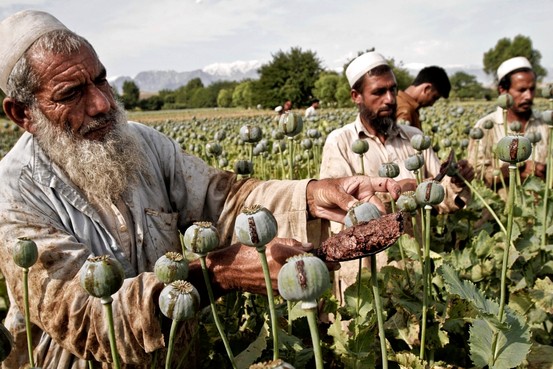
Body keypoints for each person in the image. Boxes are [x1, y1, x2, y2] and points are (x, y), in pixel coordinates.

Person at [0, 10, 402, 369]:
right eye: (71, 93)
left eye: (101, 79)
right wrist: (217, 274)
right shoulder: (11, 195)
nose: (102, 103)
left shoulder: (140, 143)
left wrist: (312, 193)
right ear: (23, 114)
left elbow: (226, 200)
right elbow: (87, 319)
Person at [319, 52, 473, 302]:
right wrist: (397, 191)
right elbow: (336, 209)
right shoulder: (340, 142)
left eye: (393, 90)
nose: (390, 99)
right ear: (356, 96)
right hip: (365, 278)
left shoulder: (415, 138)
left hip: (412, 270)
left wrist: (455, 181)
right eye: (379, 92)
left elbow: (440, 198)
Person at [468, 56, 549, 187]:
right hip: (500, 206)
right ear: (503, 90)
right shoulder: (485, 127)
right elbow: (475, 178)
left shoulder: (546, 124)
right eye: (521, 90)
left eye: (532, 89)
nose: (528, 96)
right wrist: (512, 170)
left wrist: (546, 170)